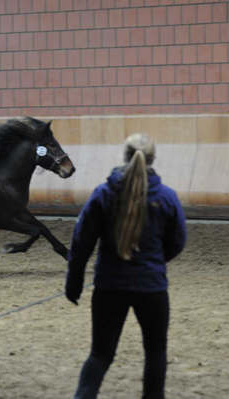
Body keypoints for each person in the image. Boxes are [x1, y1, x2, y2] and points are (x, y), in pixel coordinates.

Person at [65, 133, 186, 399]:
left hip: (109, 286)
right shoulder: (166, 197)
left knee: (100, 354)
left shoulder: (103, 195)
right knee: (156, 352)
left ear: (124, 156)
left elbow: (81, 242)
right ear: (153, 159)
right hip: (152, 288)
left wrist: (73, 282)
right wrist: (153, 262)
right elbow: (178, 241)